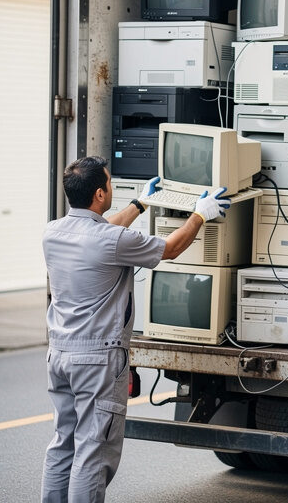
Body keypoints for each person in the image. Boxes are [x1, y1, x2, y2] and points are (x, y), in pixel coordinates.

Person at [41, 156, 229, 503]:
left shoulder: (53, 232)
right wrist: (201, 213)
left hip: (60, 354)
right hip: (97, 359)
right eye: (109, 184)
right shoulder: (112, 240)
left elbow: (100, 230)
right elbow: (170, 248)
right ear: (99, 194)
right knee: (93, 452)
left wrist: (139, 204)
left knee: (63, 444)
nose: (111, 187)